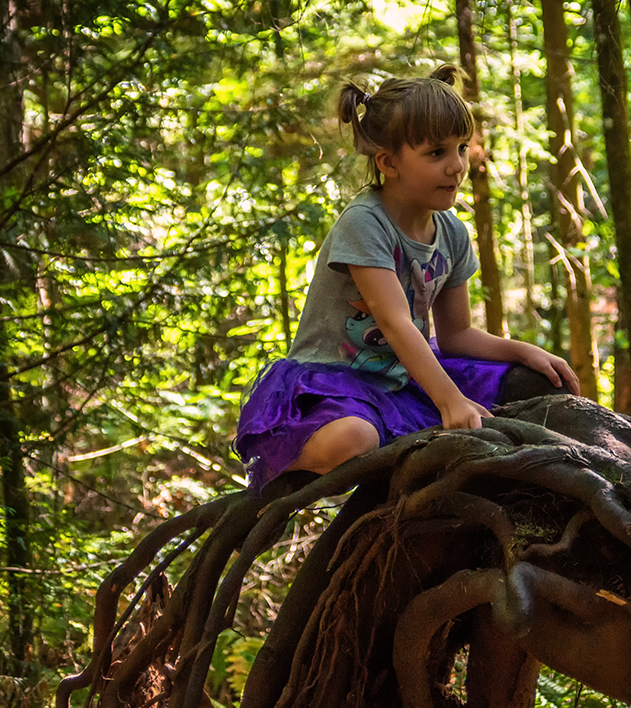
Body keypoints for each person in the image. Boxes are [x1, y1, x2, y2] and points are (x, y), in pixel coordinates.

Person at [235, 65, 580, 495]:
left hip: (403, 377)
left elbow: (456, 335)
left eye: (461, 147)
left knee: (533, 383)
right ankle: (282, 452)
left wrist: (523, 350)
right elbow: (396, 322)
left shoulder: (451, 231)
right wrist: (449, 400)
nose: (457, 166)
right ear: (388, 162)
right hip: (335, 382)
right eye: (437, 153)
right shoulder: (365, 224)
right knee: (356, 439)